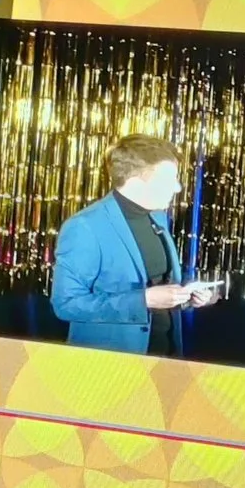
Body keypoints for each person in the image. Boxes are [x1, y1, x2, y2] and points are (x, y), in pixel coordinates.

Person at [51, 135, 221, 354]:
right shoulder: (85, 227)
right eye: (169, 180)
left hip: (164, 355)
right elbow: (66, 304)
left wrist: (187, 294)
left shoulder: (157, 217)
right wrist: (143, 300)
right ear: (135, 183)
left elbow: (158, 281)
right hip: (111, 364)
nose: (178, 188)